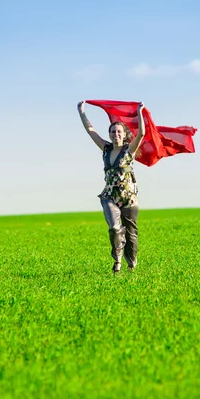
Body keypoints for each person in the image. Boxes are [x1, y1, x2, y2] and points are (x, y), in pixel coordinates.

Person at [77, 100, 145, 273]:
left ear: (124, 134)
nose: (116, 134)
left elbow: (142, 134)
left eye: (119, 131)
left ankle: (132, 263)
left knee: (131, 234)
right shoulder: (106, 149)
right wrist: (82, 112)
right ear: (109, 134)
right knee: (114, 228)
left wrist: (139, 113)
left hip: (129, 197)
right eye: (113, 132)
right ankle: (118, 261)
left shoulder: (129, 150)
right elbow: (90, 131)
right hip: (110, 196)